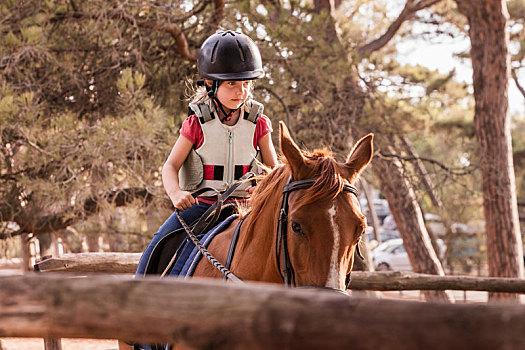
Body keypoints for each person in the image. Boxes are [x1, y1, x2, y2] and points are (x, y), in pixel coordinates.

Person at [135, 30, 278, 276]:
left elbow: (273, 170)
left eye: (245, 84)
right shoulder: (196, 123)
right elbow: (170, 166)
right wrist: (176, 193)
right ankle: (140, 293)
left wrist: (265, 186)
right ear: (211, 84)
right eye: (231, 83)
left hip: (248, 206)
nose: (240, 92)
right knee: (155, 248)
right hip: (203, 206)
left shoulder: (259, 123)